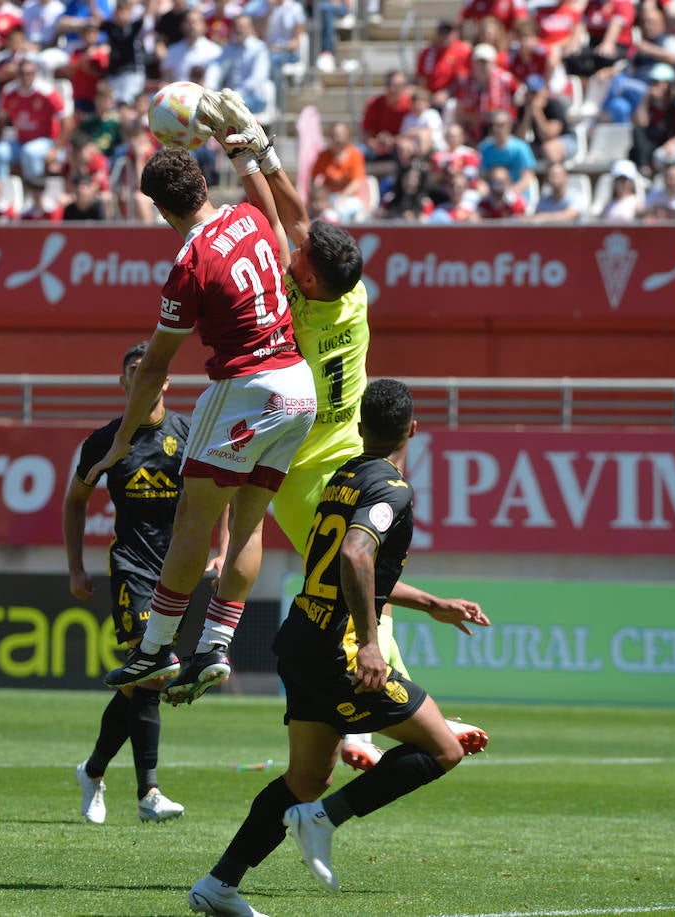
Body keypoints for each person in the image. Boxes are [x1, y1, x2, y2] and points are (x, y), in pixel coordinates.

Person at [225, 87, 487, 766]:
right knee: (370, 582)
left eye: (298, 266)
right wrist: (261, 149)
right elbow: (302, 224)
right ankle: (392, 706)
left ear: (308, 285)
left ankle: (368, 720)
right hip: (355, 449)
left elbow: (273, 221)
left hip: (304, 463)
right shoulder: (349, 293)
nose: (292, 260)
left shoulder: (302, 313)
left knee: (358, 583)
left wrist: (245, 159)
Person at [186, 379, 492, 917]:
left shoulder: (343, 475)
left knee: (305, 778)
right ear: (413, 430)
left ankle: (219, 884)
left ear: (358, 427)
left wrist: (431, 603)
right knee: (443, 749)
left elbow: (347, 566)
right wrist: (372, 643)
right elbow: (355, 556)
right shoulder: (392, 488)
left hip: (302, 638)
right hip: (338, 650)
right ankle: (323, 819)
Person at [93, 137, 318, 702]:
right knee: (249, 522)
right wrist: (248, 157)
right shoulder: (246, 217)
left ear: (160, 208)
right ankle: (215, 647)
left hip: (246, 387)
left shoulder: (190, 263)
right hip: (298, 387)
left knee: (193, 520)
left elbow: (152, 371)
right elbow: (272, 215)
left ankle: (154, 650)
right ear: (201, 184)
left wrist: (121, 441)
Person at [64, 343, 211, 826]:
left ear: (165, 380)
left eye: (154, 370)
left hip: (180, 571)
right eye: (135, 370)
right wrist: (76, 567)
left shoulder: (189, 434)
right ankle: (148, 791)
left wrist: (224, 549)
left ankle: (93, 770)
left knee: (138, 683)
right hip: (133, 567)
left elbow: (222, 494)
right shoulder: (105, 442)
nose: (145, 377)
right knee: (151, 672)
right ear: (125, 382)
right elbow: (75, 502)